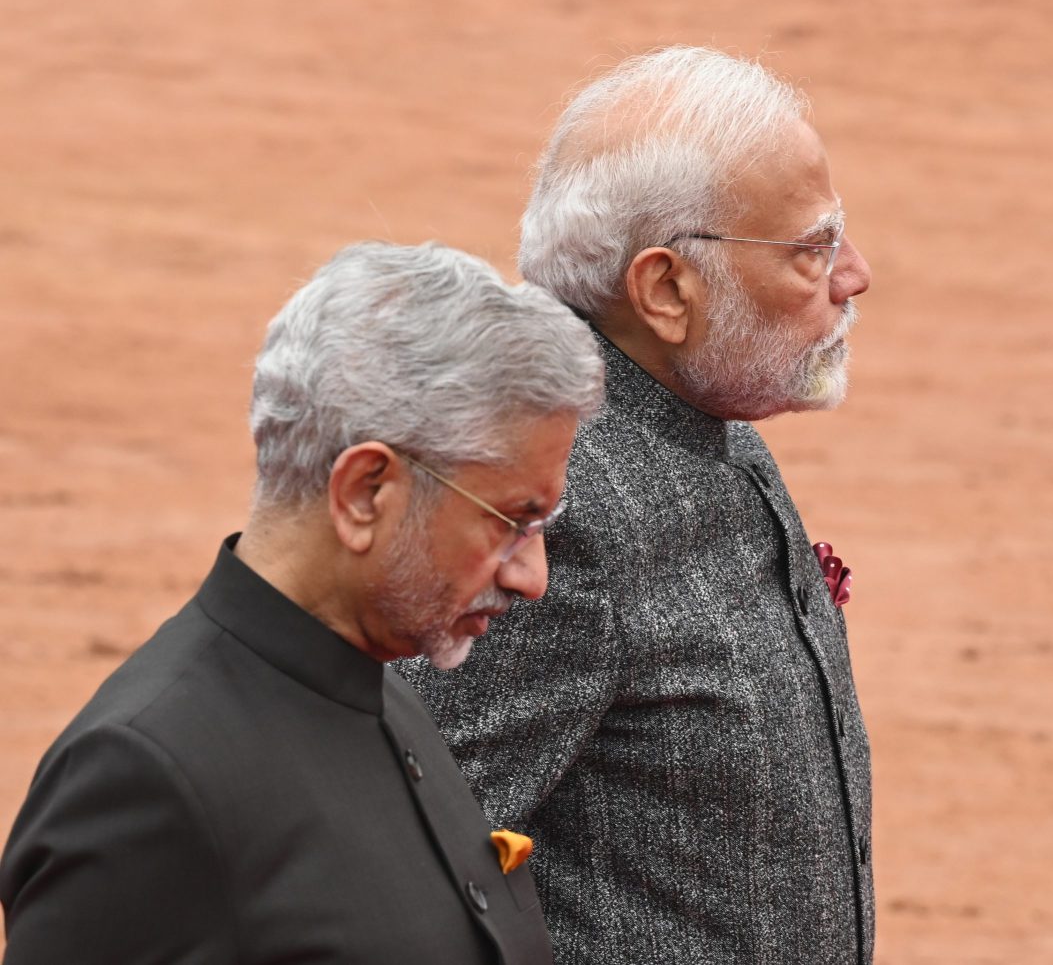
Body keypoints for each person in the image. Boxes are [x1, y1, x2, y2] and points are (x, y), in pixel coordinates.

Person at [397, 47, 875, 965]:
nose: (853, 274)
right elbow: (406, 858)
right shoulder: (553, 509)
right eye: (812, 249)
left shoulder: (709, 421)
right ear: (665, 290)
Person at [0, 242, 604, 964]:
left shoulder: (388, 691)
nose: (531, 575)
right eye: (512, 520)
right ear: (365, 493)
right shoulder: (144, 778)